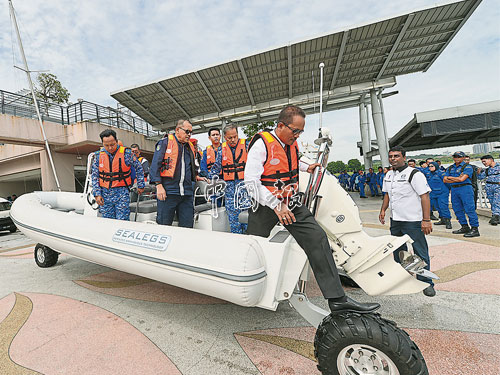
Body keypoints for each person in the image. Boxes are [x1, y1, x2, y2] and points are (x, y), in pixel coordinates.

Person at [244, 105, 379, 314]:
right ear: (280, 126)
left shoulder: (291, 144)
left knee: (317, 238)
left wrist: (308, 167)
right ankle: (250, 289)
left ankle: (337, 299)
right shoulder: (262, 144)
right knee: (254, 249)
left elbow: (293, 161)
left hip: (291, 202)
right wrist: (276, 205)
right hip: (266, 204)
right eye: (295, 131)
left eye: (300, 132)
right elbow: (251, 182)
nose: (297, 135)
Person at [379, 145, 435, 297]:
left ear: (404, 157)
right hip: (396, 220)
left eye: (396, 156)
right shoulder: (389, 175)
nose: (393, 159)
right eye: (391, 156)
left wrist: (426, 220)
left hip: (413, 220)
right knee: (399, 251)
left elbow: (425, 196)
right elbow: (387, 195)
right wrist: (383, 210)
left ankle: (426, 282)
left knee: (420, 251)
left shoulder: (414, 174)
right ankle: (403, 277)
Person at [149, 119, 206, 228]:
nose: (189, 134)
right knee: (164, 225)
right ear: (177, 130)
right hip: (168, 193)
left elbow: (192, 166)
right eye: (187, 131)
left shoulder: (190, 147)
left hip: (186, 194)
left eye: (191, 132)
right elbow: (155, 165)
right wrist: (158, 185)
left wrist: (197, 176)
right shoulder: (165, 143)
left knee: (188, 226)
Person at [91, 129, 145, 220]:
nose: (110, 148)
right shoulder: (98, 156)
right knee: (107, 221)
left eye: (112, 144)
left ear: (116, 141)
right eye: (106, 145)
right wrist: (97, 194)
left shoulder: (127, 154)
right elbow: (95, 176)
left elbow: (139, 168)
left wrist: (141, 185)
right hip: (105, 194)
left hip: (122, 193)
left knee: (122, 220)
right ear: (102, 144)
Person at [208, 124, 250, 234]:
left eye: (235, 136)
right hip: (230, 192)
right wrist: (211, 182)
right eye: (229, 138)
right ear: (225, 137)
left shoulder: (247, 145)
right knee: (234, 223)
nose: (233, 140)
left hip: (246, 190)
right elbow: (215, 169)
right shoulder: (222, 150)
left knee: (248, 221)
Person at [444, 151, 480, 237]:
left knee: (469, 209)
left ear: (463, 157)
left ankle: (475, 229)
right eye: (455, 156)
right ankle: (464, 226)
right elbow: (445, 180)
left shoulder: (467, 167)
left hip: (465, 188)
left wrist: (451, 178)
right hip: (454, 189)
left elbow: (462, 179)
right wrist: (456, 178)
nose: (456, 158)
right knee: (457, 209)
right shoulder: (450, 168)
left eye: (458, 157)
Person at [428, 162, 452, 229]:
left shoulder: (441, 173)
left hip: (442, 193)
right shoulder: (429, 174)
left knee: (443, 207)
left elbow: (447, 182)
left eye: (432, 166)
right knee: (437, 207)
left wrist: (448, 190)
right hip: (433, 193)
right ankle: (442, 219)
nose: (430, 167)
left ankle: (448, 221)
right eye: (429, 166)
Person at [478, 155, 500, 225]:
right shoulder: (487, 170)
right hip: (489, 187)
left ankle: (495, 217)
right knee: (492, 202)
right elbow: (481, 178)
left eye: (484, 161)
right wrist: (479, 173)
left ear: (490, 159)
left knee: (496, 202)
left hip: (498, 186)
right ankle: (497, 217)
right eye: (482, 162)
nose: (484, 163)